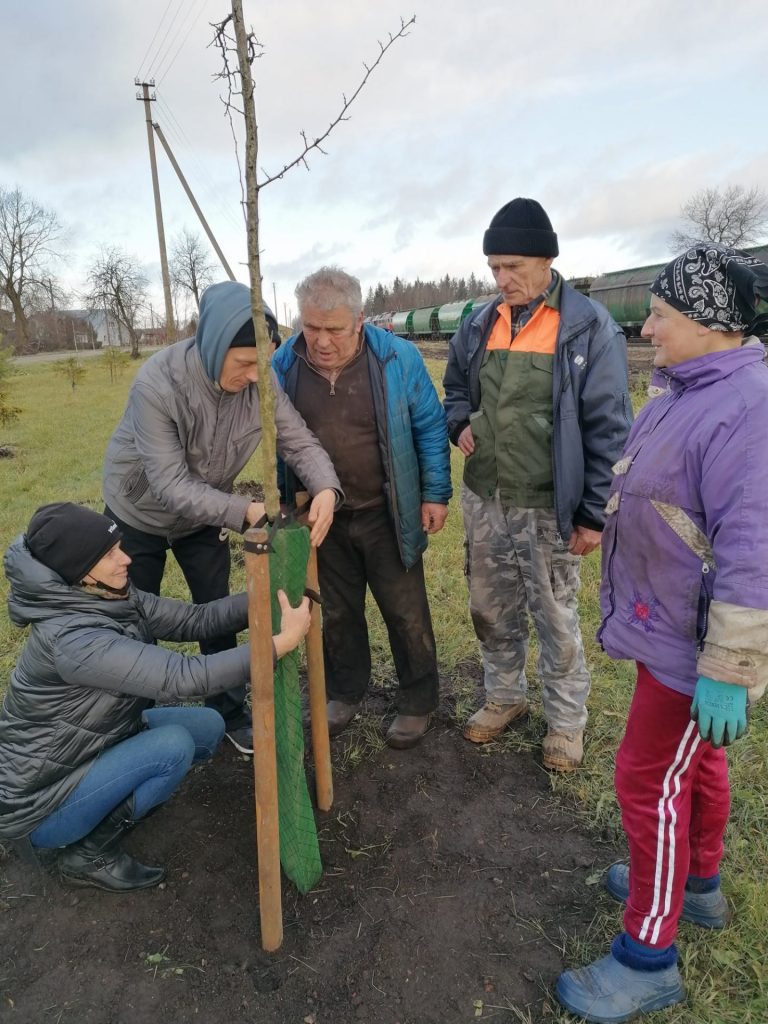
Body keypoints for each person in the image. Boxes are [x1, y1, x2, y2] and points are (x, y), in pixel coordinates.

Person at [555, 244, 768, 1022]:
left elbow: (754, 548)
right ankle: (698, 885)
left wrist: (730, 663)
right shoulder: (691, 386)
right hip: (668, 623)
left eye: (662, 314)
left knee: (649, 781)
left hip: (696, 643)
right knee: (694, 767)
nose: (646, 326)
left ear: (709, 323)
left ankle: (648, 955)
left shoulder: (750, 408)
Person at [0, 502, 312, 893]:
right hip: (42, 804)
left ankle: (115, 799)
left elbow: (193, 620)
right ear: (79, 572)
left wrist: (266, 595)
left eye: (118, 547)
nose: (126, 558)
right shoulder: (72, 640)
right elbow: (183, 678)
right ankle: (87, 854)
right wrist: (277, 645)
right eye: (110, 554)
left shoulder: (108, 595)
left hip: (90, 748)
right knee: (173, 746)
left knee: (208, 727)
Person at [103, 281, 341, 755]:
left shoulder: (263, 380)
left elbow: (297, 440)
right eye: (244, 363)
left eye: (263, 362)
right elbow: (169, 485)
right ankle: (132, 721)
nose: (256, 376)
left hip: (205, 515)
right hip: (137, 515)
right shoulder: (158, 384)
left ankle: (227, 711)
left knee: (215, 611)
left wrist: (326, 488)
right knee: (132, 619)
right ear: (214, 349)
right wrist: (245, 511)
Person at [443, 198, 632, 770]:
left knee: (555, 614)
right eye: (494, 267)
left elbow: (609, 425)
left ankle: (566, 722)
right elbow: (455, 387)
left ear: (546, 260)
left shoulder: (585, 327)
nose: (502, 280)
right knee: (491, 607)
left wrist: (594, 513)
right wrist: (459, 425)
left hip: (550, 505)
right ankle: (504, 698)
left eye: (513, 267)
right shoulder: (480, 323)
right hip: (486, 498)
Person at [272, 267, 452, 749]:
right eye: (311, 327)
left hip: (387, 511)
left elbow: (430, 428)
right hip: (323, 517)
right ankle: (346, 692)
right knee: (338, 612)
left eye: (334, 329)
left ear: (359, 320)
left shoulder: (397, 357)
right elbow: (279, 441)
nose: (321, 341)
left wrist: (435, 493)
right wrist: (288, 498)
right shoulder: (285, 364)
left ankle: (417, 699)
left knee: (405, 609)